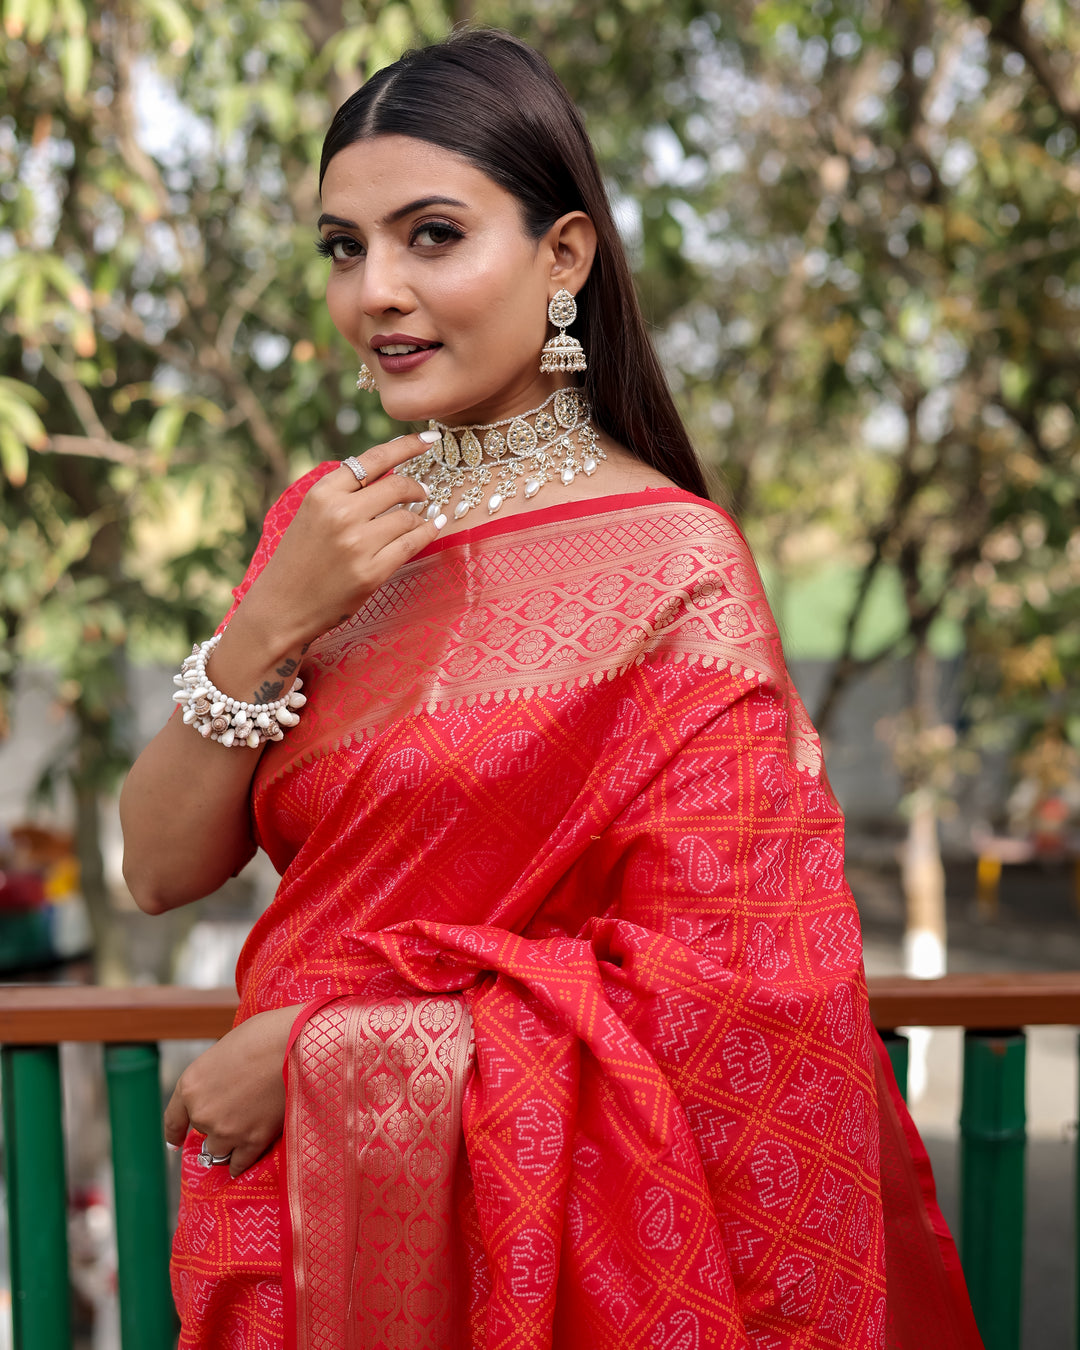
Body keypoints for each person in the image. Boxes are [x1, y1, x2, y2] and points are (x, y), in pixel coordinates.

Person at [120, 29, 984, 1350]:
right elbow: (156, 863)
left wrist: (326, 1058)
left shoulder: (678, 565)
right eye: (344, 249)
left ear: (563, 257)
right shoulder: (330, 521)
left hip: (512, 1242)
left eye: (432, 235)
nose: (378, 293)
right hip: (286, 1221)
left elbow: (730, 996)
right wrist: (270, 622)